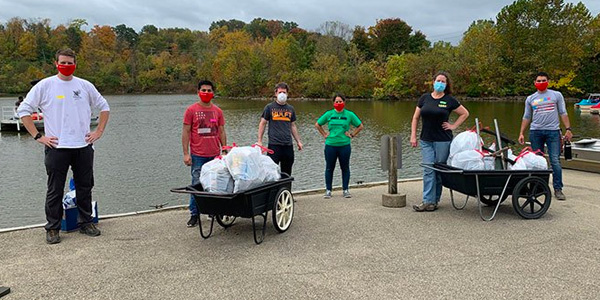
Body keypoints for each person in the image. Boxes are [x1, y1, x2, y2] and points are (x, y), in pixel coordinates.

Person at [17, 48, 110, 244]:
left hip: (83, 145)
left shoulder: (85, 86)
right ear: (56, 63)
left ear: (75, 64)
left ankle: (86, 222)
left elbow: (104, 107)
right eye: (63, 63)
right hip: (56, 147)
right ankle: (53, 228)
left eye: (70, 63)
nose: (66, 66)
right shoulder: (45, 85)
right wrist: (38, 136)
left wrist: (98, 132)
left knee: (85, 186)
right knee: (55, 189)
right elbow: (24, 110)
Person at [410, 71, 469, 212]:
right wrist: (413, 135)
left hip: (443, 140)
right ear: (433, 82)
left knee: (438, 170)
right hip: (426, 139)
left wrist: (453, 126)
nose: (440, 83)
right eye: (439, 81)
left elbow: (465, 113)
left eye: (443, 82)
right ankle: (427, 201)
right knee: (428, 169)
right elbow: (415, 118)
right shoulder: (424, 98)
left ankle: (434, 200)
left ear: (447, 84)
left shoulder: (449, 100)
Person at [518, 72, 572, 200]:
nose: (541, 83)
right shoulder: (530, 98)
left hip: (553, 132)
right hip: (536, 132)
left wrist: (568, 129)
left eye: (543, 80)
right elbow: (526, 116)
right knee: (537, 161)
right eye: (539, 81)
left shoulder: (556, 95)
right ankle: (537, 187)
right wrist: (521, 132)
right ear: (535, 83)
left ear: (548, 81)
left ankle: (558, 189)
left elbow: (563, 112)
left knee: (555, 161)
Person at [182, 80, 227, 227]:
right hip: (198, 155)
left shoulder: (217, 111)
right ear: (198, 92)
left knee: (215, 184)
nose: (206, 93)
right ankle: (194, 214)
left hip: (214, 155)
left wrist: (224, 149)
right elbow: (186, 132)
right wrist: (186, 153)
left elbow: (221, 131)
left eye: (209, 90)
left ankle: (212, 211)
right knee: (196, 184)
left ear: (213, 93)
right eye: (203, 90)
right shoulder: (191, 110)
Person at [315, 94, 364, 198]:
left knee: (345, 168)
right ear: (333, 103)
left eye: (340, 101)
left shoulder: (349, 114)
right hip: (330, 145)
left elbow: (360, 126)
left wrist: (352, 135)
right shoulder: (329, 114)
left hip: (344, 145)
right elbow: (317, 124)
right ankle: (328, 190)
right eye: (336, 102)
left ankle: (345, 190)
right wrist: (324, 134)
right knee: (329, 168)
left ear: (344, 102)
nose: (338, 103)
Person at [257, 82, 303, 175]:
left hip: (288, 145)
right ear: (276, 93)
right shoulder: (269, 108)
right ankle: (274, 189)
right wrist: (260, 141)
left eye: (284, 92)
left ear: (287, 94)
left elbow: (293, 125)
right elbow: (263, 123)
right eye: (280, 92)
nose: (282, 94)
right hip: (274, 145)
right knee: (272, 173)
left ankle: (286, 189)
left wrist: (298, 141)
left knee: (286, 173)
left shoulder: (290, 109)